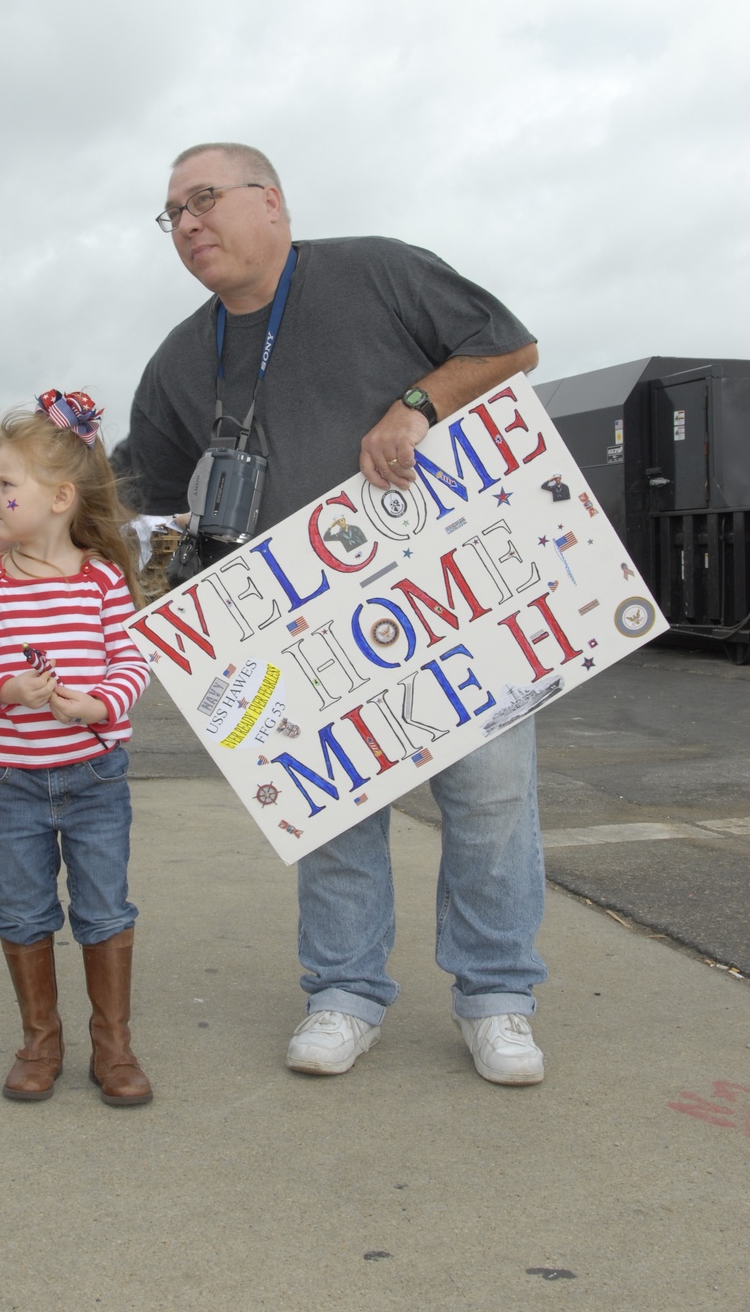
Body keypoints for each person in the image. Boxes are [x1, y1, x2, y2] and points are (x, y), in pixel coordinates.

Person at [125, 141, 547, 1087]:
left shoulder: (376, 270)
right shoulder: (182, 358)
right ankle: (345, 996)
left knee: (490, 805)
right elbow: (132, 487)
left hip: (453, 599)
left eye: (204, 200)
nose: (189, 225)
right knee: (335, 817)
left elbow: (510, 348)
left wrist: (415, 406)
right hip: (303, 632)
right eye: (173, 215)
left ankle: (498, 1001)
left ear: (269, 201)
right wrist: (13, 512)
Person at [0, 389, 153, 1106]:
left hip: (95, 774)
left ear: (60, 496)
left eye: (4, 485)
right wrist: (6, 690)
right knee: (23, 909)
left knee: (104, 909)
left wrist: (101, 703)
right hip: (14, 778)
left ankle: (112, 1044)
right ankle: (41, 1040)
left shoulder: (101, 579)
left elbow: (132, 663)